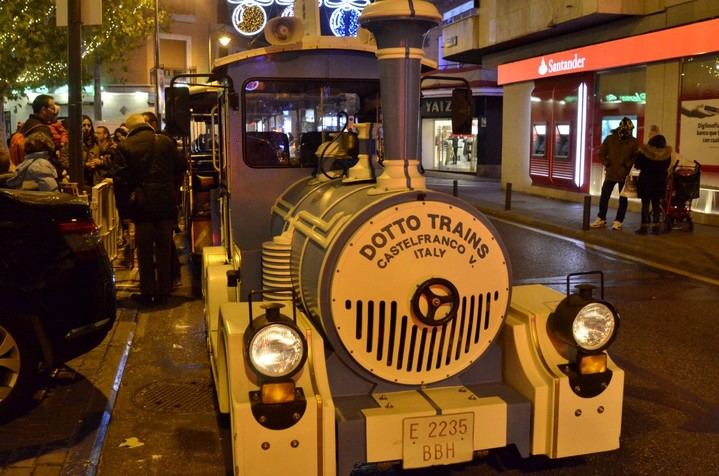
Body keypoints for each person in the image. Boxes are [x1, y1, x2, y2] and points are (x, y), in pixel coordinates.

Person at [115, 114, 185, 306]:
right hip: (165, 201)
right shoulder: (165, 142)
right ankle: (164, 291)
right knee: (164, 247)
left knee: (144, 250)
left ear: (129, 129)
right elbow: (182, 165)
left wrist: (124, 213)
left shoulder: (125, 146)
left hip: (142, 204)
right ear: (145, 124)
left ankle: (148, 292)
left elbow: (120, 182)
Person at [591, 117, 639, 230]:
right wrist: (607, 164)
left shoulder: (633, 141)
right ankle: (601, 218)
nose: (629, 132)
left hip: (624, 175)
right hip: (611, 173)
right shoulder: (610, 139)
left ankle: (618, 221)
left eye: (630, 130)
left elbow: (635, 157)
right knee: (604, 196)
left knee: (623, 199)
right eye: (628, 130)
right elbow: (602, 153)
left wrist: (626, 166)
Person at [634, 134, 672, 235]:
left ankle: (644, 227)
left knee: (645, 204)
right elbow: (667, 166)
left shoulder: (644, 152)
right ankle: (656, 227)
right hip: (659, 182)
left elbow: (637, 165)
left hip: (646, 181)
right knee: (656, 204)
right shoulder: (666, 154)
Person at [82, 115, 102, 187]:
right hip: (79, 178)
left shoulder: (95, 141)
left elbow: (104, 156)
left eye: (89, 125)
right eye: (84, 125)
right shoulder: (72, 141)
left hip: (93, 178)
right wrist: (84, 165)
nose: (86, 128)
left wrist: (100, 161)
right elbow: (65, 161)